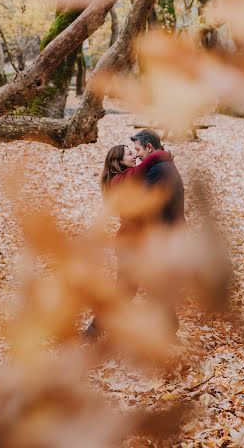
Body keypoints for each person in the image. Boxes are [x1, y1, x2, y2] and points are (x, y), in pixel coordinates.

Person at [83, 142, 174, 339]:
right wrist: (164, 154)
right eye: (129, 154)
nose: (134, 156)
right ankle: (93, 331)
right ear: (118, 161)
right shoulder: (119, 179)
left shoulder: (124, 179)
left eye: (134, 152)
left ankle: (169, 329)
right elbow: (146, 165)